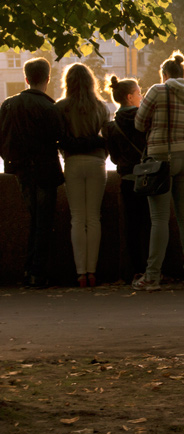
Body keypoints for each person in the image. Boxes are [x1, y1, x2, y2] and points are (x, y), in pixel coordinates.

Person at [133, 52, 184, 290]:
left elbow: (139, 123)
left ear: (164, 74)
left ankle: (152, 276)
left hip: (161, 156)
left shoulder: (157, 90)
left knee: (159, 218)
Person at [0, 57, 64, 288]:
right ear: (47, 79)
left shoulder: (8, 104)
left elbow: (2, 138)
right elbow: (59, 138)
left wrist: (12, 161)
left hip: (21, 170)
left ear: (25, 79)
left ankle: (29, 269)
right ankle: (37, 272)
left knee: (32, 219)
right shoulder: (50, 107)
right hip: (46, 170)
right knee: (43, 222)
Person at [55, 63, 109, 288]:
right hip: (97, 162)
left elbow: (58, 138)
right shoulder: (101, 106)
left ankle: (80, 273)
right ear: (90, 82)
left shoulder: (61, 107)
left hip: (73, 162)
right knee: (93, 218)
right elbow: (106, 136)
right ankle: (93, 271)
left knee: (77, 218)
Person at [102, 76, 150, 283]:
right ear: (130, 97)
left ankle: (136, 270)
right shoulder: (146, 120)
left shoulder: (110, 127)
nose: (142, 96)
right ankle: (153, 267)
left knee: (131, 227)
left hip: (128, 179)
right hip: (149, 178)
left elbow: (113, 157)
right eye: (139, 93)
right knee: (150, 224)